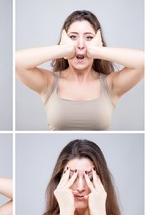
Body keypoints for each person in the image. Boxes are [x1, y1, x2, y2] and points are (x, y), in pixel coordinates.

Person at [15, 10, 144, 130]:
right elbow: (17, 62)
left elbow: (142, 62)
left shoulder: (111, 85)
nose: (81, 45)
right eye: (73, 37)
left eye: (88, 37)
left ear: (98, 41)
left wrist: (98, 51)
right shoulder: (49, 82)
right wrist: (63, 49)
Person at [27, 139, 134, 215]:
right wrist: (66, 212)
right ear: (60, 180)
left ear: (101, 181)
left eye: (89, 177)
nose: (80, 187)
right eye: (72, 177)